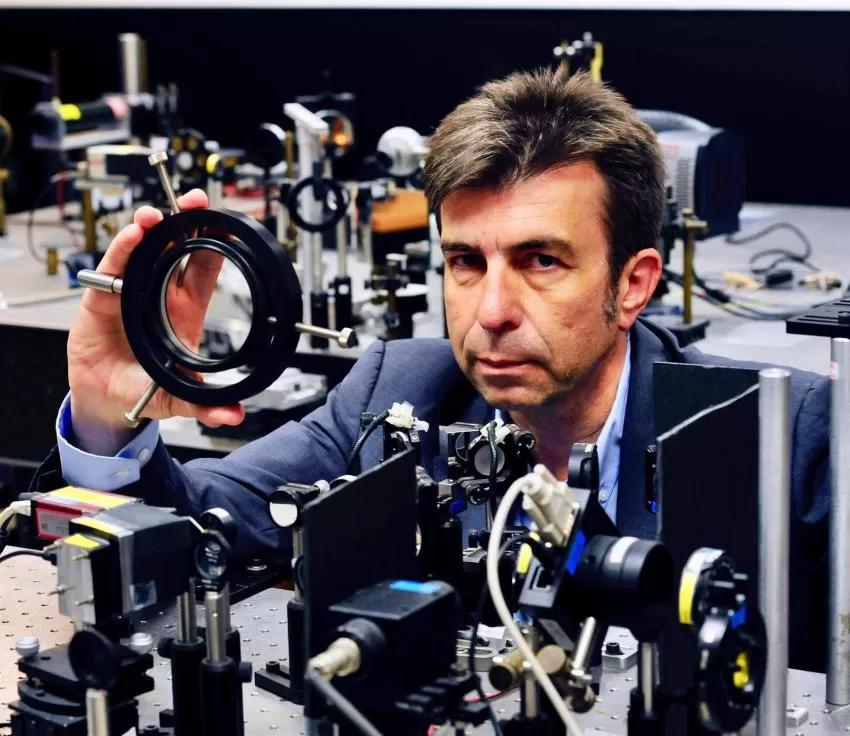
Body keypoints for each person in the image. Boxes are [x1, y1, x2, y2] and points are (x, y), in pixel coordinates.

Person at [31, 68, 829, 670]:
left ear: (633, 284)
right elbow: (199, 532)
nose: (492, 311)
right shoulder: (399, 392)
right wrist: (106, 419)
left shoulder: (784, 436)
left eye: (542, 261)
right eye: (465, 262)